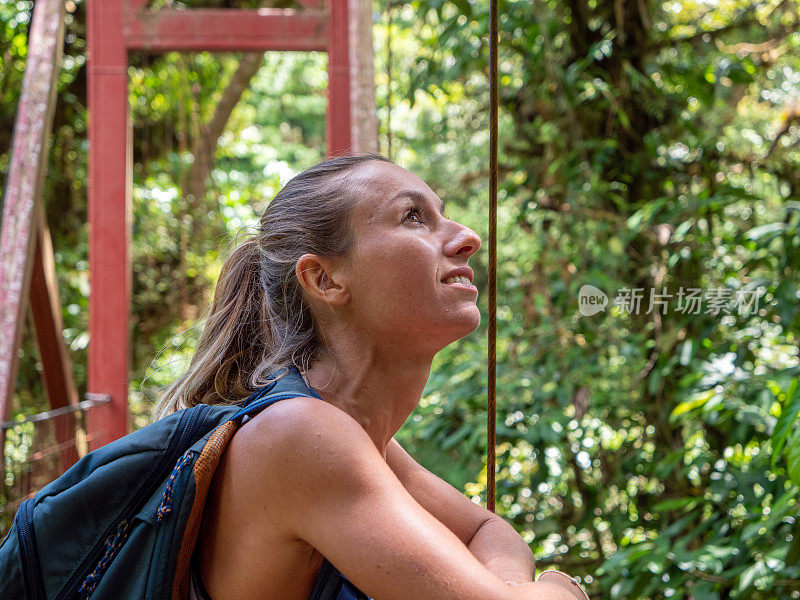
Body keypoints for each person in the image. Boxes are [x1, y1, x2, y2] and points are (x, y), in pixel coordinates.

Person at [155, 154, 589, 600]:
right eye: (413, 217)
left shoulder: (353, 431)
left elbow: (488, 528)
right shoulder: (303, 435)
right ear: (324, 280)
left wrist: (511, 589)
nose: (468, 237)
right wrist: (561, 587)